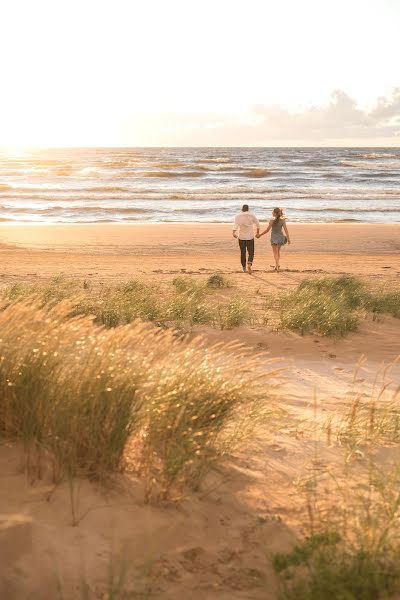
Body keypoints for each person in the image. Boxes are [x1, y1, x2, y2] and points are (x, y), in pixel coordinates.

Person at [257, 207, 291, 272]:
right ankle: (277, 265)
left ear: (275, 213)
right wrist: (288, 239)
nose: (272, 213)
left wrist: (260, 235)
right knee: (278, 252)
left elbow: (267, 230)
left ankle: (277, 267)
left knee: (275, 253)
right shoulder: (283, 220)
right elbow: (286, 230)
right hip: (281, 237)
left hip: (274, 238)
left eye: (273, 212)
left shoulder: (272, 220)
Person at [233, 204, 260, 274]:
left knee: (243, 252)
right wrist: (257, 233)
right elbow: (258, 224)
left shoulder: (238, 216)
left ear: (242, 209)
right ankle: (249, 264)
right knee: (251, 252)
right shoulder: (252, 215)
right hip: (250, 237)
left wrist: (234, 233)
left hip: (241, 237)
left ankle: (244, 268)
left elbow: (235, 225)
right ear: (248, 209)